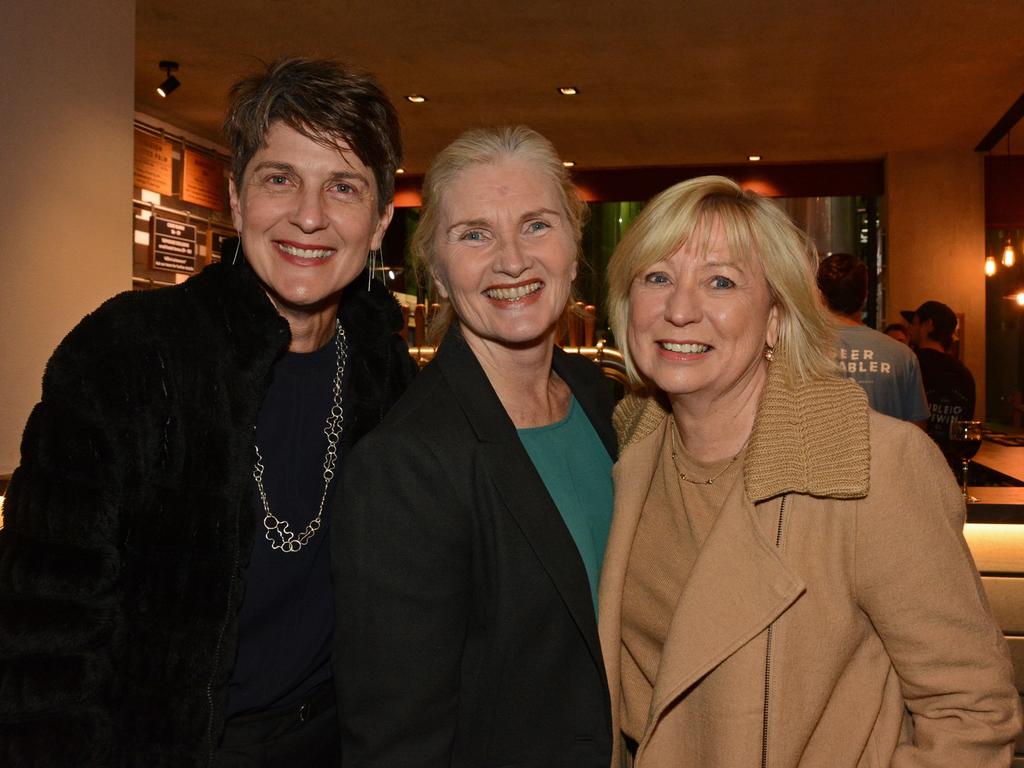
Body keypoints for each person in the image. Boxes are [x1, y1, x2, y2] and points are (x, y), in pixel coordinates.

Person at [0, 58, 416, 766]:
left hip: (341, 744)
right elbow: (44, 633)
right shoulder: (131, 354)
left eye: (342, 186)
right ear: (234, 196)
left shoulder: (383, 371)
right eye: (279, 178)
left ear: (379, 220)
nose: (308, 215)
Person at [600, 176, 1020, 767]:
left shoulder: (877, 464)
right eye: (657, 277)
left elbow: (970, 712)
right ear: (628, 303)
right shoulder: (625, 450)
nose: (679, 308)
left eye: (720, 281)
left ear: (776, 318)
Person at [333, 126, 615, 767]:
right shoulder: (403, 466)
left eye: (538, 225)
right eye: (475, 234)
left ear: (574, 246)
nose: (512, 260)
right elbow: (395, 742)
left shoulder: (601, 401)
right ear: (435, 265)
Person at [816, 252, 928, 425]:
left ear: (820, 296)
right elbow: (918, 430)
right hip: (891, 452)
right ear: (865, 295)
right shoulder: (902, 355)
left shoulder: (800, 352)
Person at [902, 300, 977, 465]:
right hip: (951, 466)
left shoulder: (910, 364)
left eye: (914, 323)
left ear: (928, 325)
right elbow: (966, 422)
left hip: (914, 462)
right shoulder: (964, 374)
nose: (909, 329)